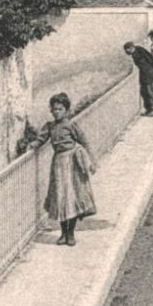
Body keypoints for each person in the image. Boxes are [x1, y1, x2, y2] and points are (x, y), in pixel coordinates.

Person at [38, 92, 96, 246]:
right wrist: (30, 146)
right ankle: (63, 233)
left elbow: (85, 142)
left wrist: (92, 162)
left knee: (72, 197)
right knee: (61, 198)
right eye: (54, 109)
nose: (57, 112)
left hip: (72, 164)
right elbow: (40, 140)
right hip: (58, 164)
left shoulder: (71, 125)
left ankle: (71, 233)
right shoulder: (49, 126)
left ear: (66, 110)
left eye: (60, 109)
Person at [124, 41, 153, 116]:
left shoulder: (139, 50)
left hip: (149, 74)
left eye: (127, 49)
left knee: (149, 92)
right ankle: (148, 109)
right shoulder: (136, 52)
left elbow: (151, 59)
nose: (126, 52)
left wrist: (152, 68)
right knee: (144, 92)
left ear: (131, 48)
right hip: (144, 75)